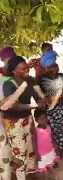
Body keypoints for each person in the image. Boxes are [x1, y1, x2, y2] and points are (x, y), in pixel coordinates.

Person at [2, 56, 46, 180]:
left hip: (27, 117)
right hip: (13, 121)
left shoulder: (31, 81)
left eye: (27, 68)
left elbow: (38, 98)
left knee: (31, 149)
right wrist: (32, 106)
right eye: (22, 69)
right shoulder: (9, 84)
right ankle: (21, 177)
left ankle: (31, 175)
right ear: (14, 71)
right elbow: (12, 105)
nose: (26, 71)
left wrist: (42, 101)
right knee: (20, 152)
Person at [38, 50, 63, 160]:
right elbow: (41, 98)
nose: (55, 68)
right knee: (55, 132)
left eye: (55, 65)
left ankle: (61, 151)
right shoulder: (41, 80)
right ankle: (61, 153)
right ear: (46, 68)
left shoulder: (62, 76)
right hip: (50, 111)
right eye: (51, 66)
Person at [0, 46, 16, 180]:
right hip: (4, 119)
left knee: (14, 148)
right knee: (4, 150)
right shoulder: (2, 76)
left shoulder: (17, 74)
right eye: (7, 60)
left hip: (14, 119)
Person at [33, 109, 59, 180]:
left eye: (45, 118)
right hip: (42, 154)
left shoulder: (48, 127)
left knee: (50, 165)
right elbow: (34, 142)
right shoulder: (36, 131)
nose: (44, 120)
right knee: (42, 171)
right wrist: (36, 154)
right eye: (41, 119)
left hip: (50, 151)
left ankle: (54, 177)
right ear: (36, 120)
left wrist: (54, 145)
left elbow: (51, 137)